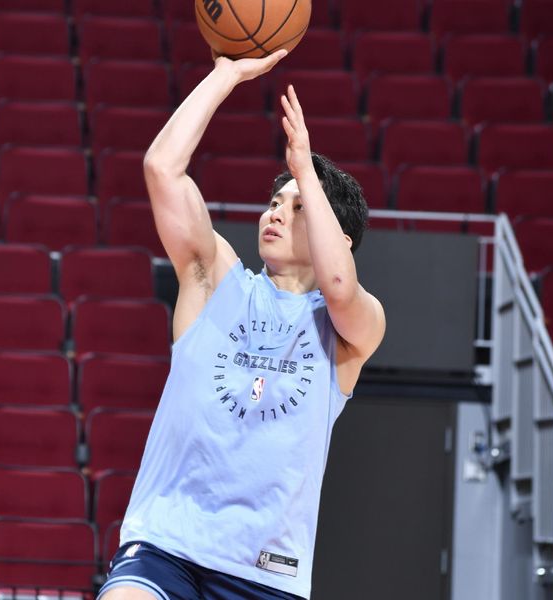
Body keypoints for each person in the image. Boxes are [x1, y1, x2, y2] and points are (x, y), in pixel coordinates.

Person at [97, 49, 386, 600]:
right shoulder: (215, 279)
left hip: (265, 572)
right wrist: (224, 76)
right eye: (275, 200)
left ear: (338, 238)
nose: (275, 211)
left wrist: (307, 169)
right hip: (167, 545)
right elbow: (162, 170)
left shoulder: (352, 328)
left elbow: (341, 286)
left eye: (297, 207)